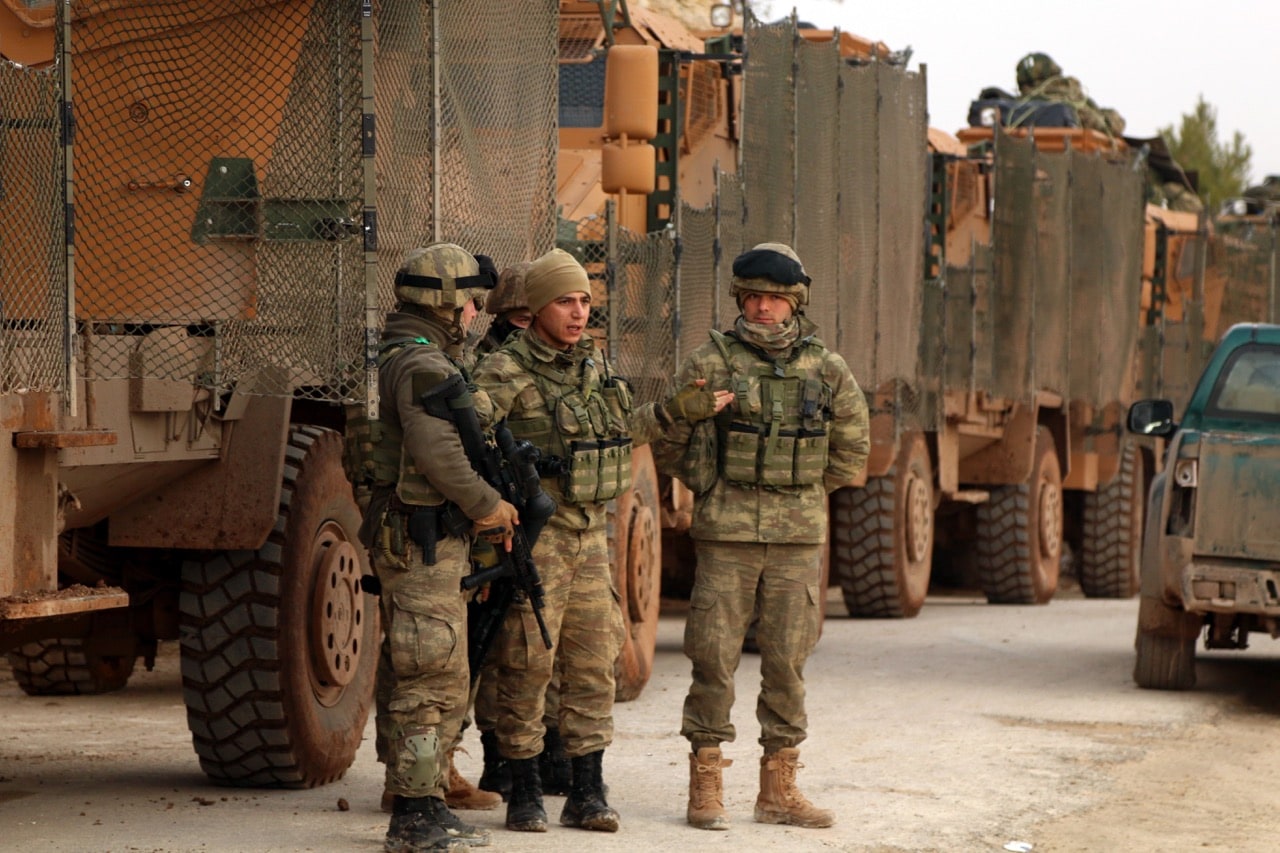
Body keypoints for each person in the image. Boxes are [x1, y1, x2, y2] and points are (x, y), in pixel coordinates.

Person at [471, 247, 731, 835]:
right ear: (535, 308)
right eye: (565, 301)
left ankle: (588, 791)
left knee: (593, 666)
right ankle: (525, 789)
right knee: (525, 664)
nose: (579, 312)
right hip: (535, 539)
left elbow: (621, 429)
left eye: (585, 301)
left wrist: (677, 410)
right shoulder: (505, 371)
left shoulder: (594, 368)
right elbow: (469, 437)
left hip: (589, 540)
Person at [653, 242, 869, 831]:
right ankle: (706, 786)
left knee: (787, 664)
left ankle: (778, 789)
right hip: (726, 537)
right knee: (712, 661)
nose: (763, 308)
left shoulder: (827, 368)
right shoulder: (712, 362)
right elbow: (667, 438)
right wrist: (713, 480)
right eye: (753, 297)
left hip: (797, 542)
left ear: (793, 302)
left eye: (773, 299)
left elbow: (852, 451)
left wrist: (798, 490)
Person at [357, 241, 520, 852]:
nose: (477, 314)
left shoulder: (413, 353)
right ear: (448, 305)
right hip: (422, 538)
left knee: (419, 668)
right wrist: (486, 504)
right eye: (473, 302)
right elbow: (436, 451)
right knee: (432, 674)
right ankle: (417, 817)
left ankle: (419, 796)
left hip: (416, 535)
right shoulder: (423, 364)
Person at [469, 261, 574, 802]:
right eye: (515, 317)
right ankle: (497, 756)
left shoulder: (566, 365)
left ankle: (548, 748)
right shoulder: (493, 369)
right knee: (498, 652)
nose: (523, 325)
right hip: (500, 524)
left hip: (546, 524)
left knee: (543, 648)